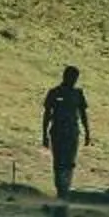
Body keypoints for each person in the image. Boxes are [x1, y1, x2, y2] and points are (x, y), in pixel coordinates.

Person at [41, 66, 90, 198]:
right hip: (57, 131)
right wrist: (44, 134)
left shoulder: (78, 94)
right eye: (72, 78)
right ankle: (60, 188)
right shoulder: (54, 93)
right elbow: (46, 114)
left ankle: (66, 187)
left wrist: (87, 132)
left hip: (72, 132)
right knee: (58, 161)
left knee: (70, 161)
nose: (73, 81)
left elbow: (83, 114)